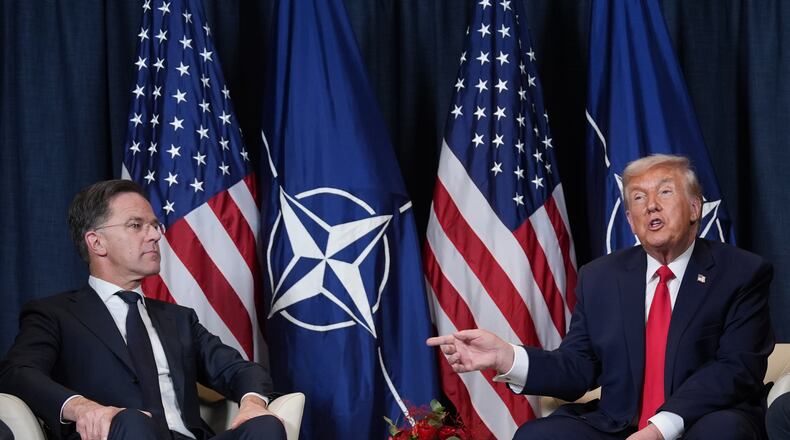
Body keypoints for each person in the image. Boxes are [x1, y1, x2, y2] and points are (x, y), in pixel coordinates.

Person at [428, 154, 774, 440]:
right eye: (638, 198)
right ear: (630, 220)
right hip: (620, 423)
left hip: (705, 418)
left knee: (723, 433)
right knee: (538, 436)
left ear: (695, 208)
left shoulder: (740, 273)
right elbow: (578, 369)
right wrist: (507, 357)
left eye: (665, 193)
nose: (651, 205)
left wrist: (660, 427)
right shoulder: (600, 278)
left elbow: (736, 368)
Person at [0, 180, 286, 440]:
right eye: (136, 225)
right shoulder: (55, 314)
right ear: (96, 242)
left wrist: (252, 402)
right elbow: (17, 372)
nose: (155, 236)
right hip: (119, 433)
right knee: (132, 423)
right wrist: (82, 408)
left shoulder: (179, 319)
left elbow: (238, 370)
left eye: (154, 225)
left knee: (266, 426)